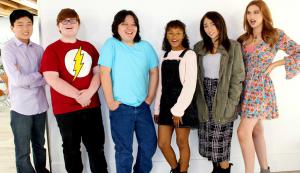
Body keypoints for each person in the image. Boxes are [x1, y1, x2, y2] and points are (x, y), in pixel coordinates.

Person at [40, 8, 107, 173]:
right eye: (65, 21)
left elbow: (98, 72)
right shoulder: (51, 49)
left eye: (73, 20)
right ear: (58, 26)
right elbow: (52, 79)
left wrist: (89, 94)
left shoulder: (89, 47)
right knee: (71, 150)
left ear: (78, 25)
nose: (69, 23)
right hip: (66, 109)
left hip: (91, 106)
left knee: (97, 148)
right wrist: (79, 96)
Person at [237, 1, 300, 173]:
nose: (252, 16)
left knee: (243, 133)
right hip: (244, 89)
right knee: (256, 130)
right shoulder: (243, 39)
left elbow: (298, 51)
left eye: (256, 12)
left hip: (260, 89)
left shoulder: (276, 35)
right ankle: (265, 170)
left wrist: (275, 64)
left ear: (264, 14)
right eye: (249, 13)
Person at [99, 10, 158, 173]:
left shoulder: (145, 47)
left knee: (149, 145)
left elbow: (154, 71)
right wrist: (110, 102)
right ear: (116, 27)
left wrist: (150, 97)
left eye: (133, 24)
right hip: (121, 108)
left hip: (142, 107)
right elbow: (104, 73)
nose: (129, 27)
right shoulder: (111, 44)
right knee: (124, 152)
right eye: (124, 23)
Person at [194, 11, 245, 173]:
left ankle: (224, 169)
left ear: (220, 24)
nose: (209, 28)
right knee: (210, 145)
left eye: (212, 24)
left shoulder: (233, 46)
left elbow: (238, 77)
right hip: (204, 98)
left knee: (220, 148)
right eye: (205, 25)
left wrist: (232, 103)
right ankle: (216, 170)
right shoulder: (199, 47)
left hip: (223, 98)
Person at [2, 9, 49, 173]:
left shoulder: (39, 49)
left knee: (40, 145)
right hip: (21, 108)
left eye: (29, 23)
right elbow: (16, 80)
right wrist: (37, 76)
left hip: (40, 105)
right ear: (12, 28)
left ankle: (42, 170)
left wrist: (30, 79)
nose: (25, 28)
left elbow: (47, 78)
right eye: (20, 24)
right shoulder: (8, 49)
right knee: (22, 151)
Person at [154, 20, 198, 173]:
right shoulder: (164, 56)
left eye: (178, 33)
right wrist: (157, 109)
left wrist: (178, 110)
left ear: (184, 35)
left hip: (183, 105)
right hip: (166, 104)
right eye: (171, 33)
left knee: (181, 142)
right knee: (163, 143)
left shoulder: (189, 54)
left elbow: (190, 85)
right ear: (166, 35)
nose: (174, 36)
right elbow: (161, 85)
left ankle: (183, 170)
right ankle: (176, 169)